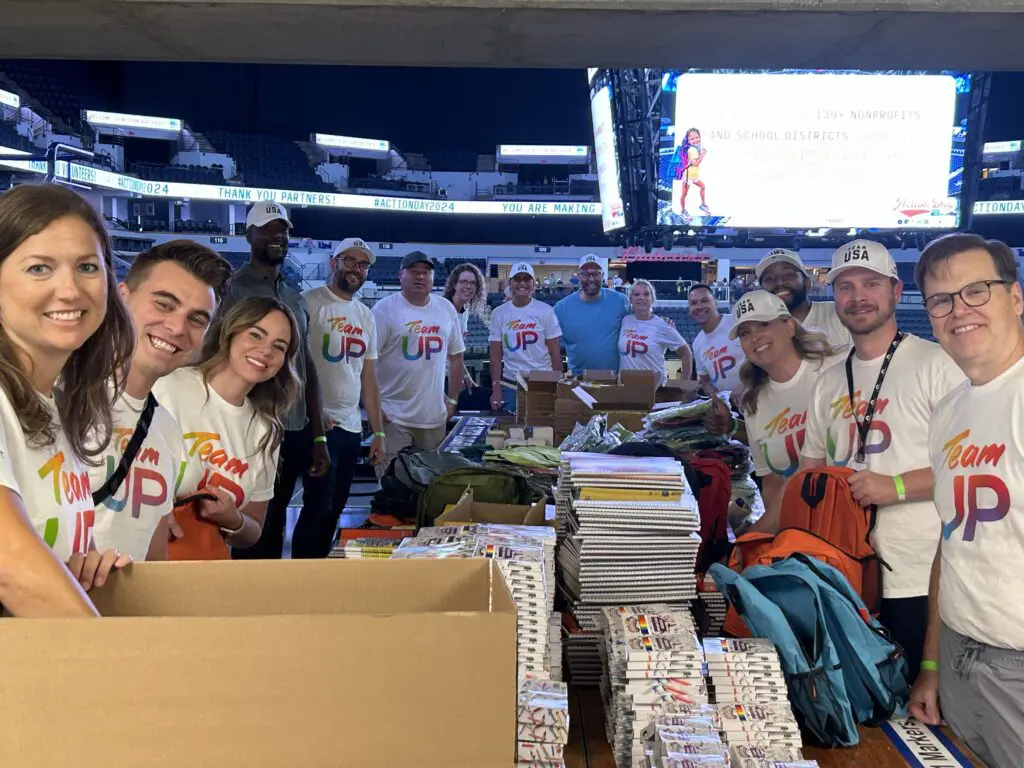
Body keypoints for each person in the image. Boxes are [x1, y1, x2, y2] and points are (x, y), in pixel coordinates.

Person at [799, 239, 963, 682]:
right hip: (843, 572)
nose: (858, 297)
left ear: (895, 290)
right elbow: (809, 472)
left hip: (916, 575)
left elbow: (969, 470)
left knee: (920, 715)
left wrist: (895, 486)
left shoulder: (937, 364)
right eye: (846, 288)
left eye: (871, 284)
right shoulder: (828, 379)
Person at [908, 234, 1024, 766]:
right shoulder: (949, 410)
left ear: (1015, 297)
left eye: (977, 291)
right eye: (941, 300)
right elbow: (950, 542)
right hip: (958, 654)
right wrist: (932, 664)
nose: (959, 311)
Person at [0, 183, 136, 615]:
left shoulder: (57, 406)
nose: (71, 290)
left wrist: (82, 564)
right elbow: (11, 567)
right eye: (39, 268)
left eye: (87, 267)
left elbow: (39, 555)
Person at [90, 241, 232, 562]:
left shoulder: (165, 429)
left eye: (197, 319)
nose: (177, 327)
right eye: (165, 305)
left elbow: (154, 559)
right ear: (122, 297)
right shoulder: (54, 398)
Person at [153, 297, 301, 559]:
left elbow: (253, 532)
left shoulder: (265, 430)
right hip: (137, 563)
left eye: (279, 347)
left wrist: (233, 519)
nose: (266, 351)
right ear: (230, 333)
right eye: (256, 335)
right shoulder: (167, 386)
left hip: (205, 572)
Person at [224, 202, 329, 561]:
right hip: (249, 426)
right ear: (248, 235)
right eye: (268, 228)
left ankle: (273, 597)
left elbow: (307, 365)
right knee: (249, 526)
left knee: (278, 519)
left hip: (295, 427)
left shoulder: (293, 296)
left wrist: (318, 434)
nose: (278, 237)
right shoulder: (231, 291)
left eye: (283, 230)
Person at [706, 290, 842, 526]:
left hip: (855, 525)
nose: (755, 337)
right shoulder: (754, 402)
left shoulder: (838, 365)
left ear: (789, 326)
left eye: (764, 325)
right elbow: (772, 484)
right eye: (745, 333)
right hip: (803, 534)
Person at [300, 238, 385, 558]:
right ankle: (302, 576)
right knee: (317, 507)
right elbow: (293, 366)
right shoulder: (309, 303)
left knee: (336, 507)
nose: (356, 268)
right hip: (318, 423)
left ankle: (320, 569)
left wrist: (377, 432)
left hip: (350, 426)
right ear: (333, 262)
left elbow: (368, 377)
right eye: (350, 260)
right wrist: (312, 411)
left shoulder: (365, 314)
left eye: (363, 264)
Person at [373, 251, 465, 472]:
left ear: (433, 278)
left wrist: (452, 400)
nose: (420, 277)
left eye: (426, 272)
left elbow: (457, 356)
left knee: (429, 489)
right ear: (400, 276)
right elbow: (366, 363)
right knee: (392, 486)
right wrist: (374, 407)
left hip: (433, 418)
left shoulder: (445, 308)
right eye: (414, 272)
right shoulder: (384, 310)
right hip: (394, 417)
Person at [488, 262, 563, 412]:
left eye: (527, 279)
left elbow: (555, 352)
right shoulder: (499, 313)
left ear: (533, 283)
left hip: (543, 382)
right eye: (517, 279)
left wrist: (559, 384)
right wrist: (496, 388)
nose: (522, 283)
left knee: (544, 430)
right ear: (510, 283)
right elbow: (495, 356)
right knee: (512, 431)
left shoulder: (546, 311)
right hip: (511, 385)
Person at [755, 248, 850, 348]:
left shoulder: (839, 314)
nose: (779, 282)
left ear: (808, 283)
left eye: (788, 275)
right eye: (769, 278)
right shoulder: (754, 331)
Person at [555, 254, 630, 375]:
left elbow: (639, 323)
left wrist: (659, 321)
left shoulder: (620, 301)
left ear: (603, 276)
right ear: (579, 276)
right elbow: (548, 341)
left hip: (613, 380)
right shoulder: (561, 308)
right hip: (578, 381)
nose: (591, 279)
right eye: (585, 274)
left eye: (595, 274)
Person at [618, 280, 692, 385]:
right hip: (626, 387)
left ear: (652, 299)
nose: (641, 297)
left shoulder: (663, 325)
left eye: (646, 294)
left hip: (655, 390)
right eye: (636, 294)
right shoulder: (625, 320)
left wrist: (684, 384)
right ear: (630, 299)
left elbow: (686, 353)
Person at [688, 283, 745, 394]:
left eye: (704, 301)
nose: (699, 307)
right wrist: (718, 399)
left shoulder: (736, 322)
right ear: (689, 309)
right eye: (694, 303)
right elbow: (706, 382)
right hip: (729, 407)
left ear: (715, 302)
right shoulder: (697, 344)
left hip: (757, 396)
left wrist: (746, 388)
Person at [443, 262, 485, 393]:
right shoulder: (442, 309)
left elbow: (457, 352)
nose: (468, 286)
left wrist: (466, 376)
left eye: (472, 283)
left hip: (451, 376)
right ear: (454, 284)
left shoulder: (464, 312)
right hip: (438, 379)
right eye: (463, 282)